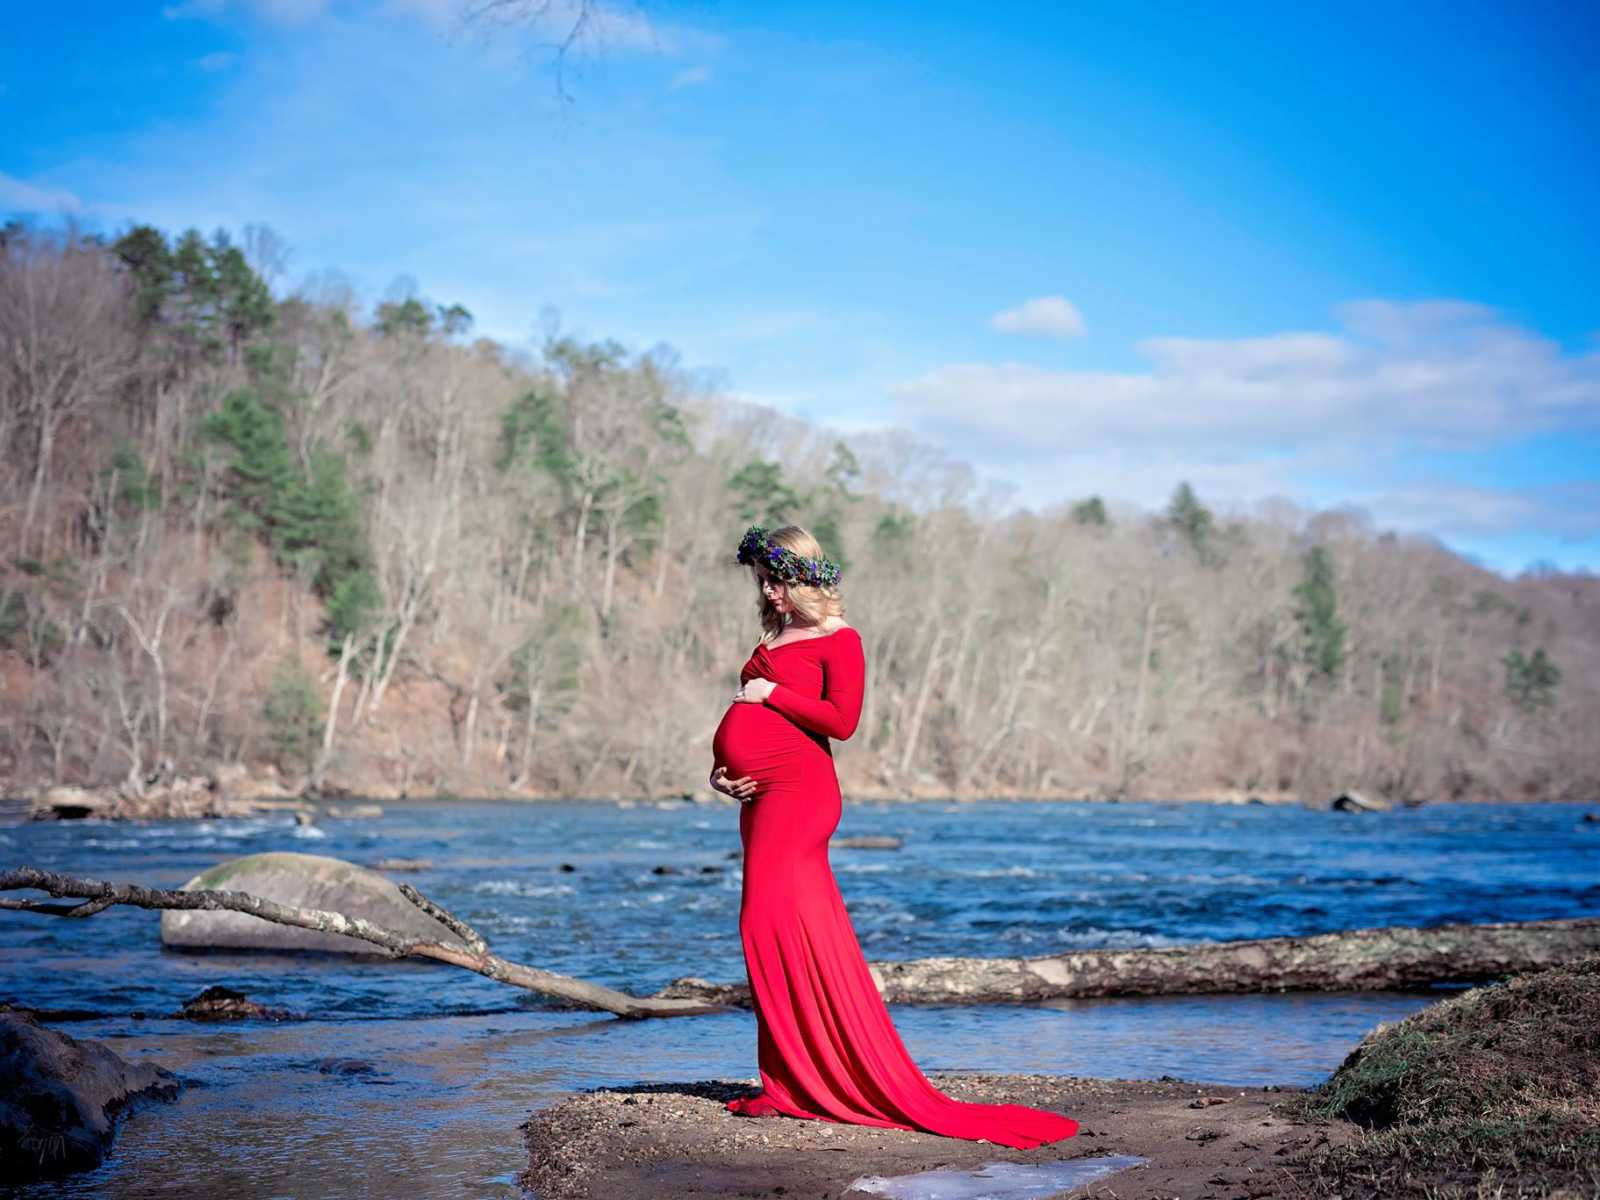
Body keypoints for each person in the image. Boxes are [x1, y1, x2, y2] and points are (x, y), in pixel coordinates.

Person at [708, 524, 1079, 1150]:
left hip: (800, 798)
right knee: (779, 930)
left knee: (765, 924)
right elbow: (744, 720)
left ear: (803, 578)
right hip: (758, 799)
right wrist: (721, 773)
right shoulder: (773, 635)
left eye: (776, 580)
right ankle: (788, 1082)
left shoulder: (840, 639)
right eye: (762, 582)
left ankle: (807, 1078)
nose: (768, 592)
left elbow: (842, 722)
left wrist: (769, 694)